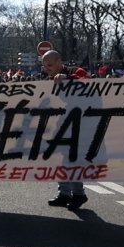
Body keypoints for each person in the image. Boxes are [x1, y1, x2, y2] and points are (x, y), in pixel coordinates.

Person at [41, 49, 89, 211]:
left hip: (75, 126)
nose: (47, 68)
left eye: (50, 65)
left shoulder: (74, 74)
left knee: (72, 160)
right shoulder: (47, 79)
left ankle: (78, 193)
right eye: (45, 66)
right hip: (59, 126)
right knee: (62, 161)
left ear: (59, 62)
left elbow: (86, 86)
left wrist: (68, 79)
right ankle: (65, 193)